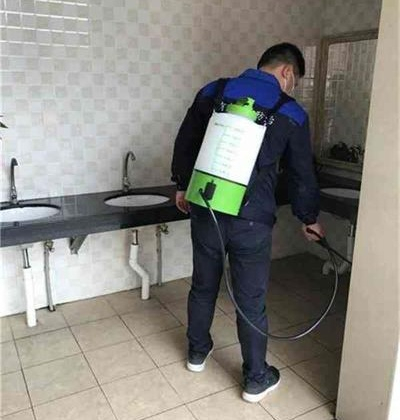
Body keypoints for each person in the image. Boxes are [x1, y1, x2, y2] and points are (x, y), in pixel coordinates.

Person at [170, 43, 324, 403]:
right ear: (287, 72)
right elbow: (302, 174)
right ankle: (255, 378)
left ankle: (197, 352)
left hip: (206, 207)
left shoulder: (213, 91)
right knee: (250, 300)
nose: (293, 87)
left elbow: (186, 141)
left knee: (203, 285)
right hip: (252, 220)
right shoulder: (292, 112)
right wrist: (309, 218)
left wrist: (182, 185)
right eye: (295, 80)